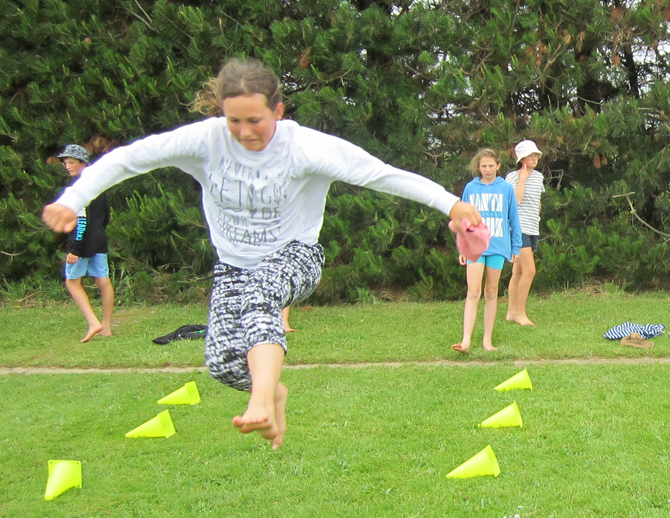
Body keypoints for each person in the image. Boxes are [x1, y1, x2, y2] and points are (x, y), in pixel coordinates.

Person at [42, 58, 482, 449]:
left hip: (297, 255)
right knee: (219, 361)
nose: (244, 132)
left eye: (255, 120)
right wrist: (73, 198)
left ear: (278, 111)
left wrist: (451, 203)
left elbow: (382, 175)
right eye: (234, 121)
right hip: (233, 264)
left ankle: (261, 403)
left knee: (261, 295)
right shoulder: (204, 141)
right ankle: (273, 393)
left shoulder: (306, 147)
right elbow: (128, 159)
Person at [452, 149, 521, 352]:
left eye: (491, 165)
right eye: (484, 166)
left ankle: (487, 341)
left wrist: (515, 246)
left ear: (498, 166)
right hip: (475, 247)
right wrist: (462, 247)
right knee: (473, 291)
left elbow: (513, 219)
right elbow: (462, 220)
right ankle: (466, 341)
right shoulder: (470, 189)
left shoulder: (506, 188)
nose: (488, 169)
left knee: (491, 292)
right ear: (478, 167)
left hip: (499, 246)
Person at [57, 144, 115, 343]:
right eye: (66, 163)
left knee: (71, 281)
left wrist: (75, 249)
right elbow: (105, 217)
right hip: (99, 239)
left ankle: (93, 322)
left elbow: (81, 220)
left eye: (71, 162)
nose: (68, 166)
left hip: (83, 243)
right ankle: (106, 327)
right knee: (103, 281)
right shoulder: (99, 185)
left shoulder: (78, 188)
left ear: (83, 163)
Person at [504, 140, 545, 326]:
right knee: (530, 270)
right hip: (517, 229)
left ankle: (511, 312)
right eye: (531, 155)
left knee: (519, 271)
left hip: (532, 227)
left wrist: (537, 215)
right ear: (522, 158)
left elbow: (537, 200)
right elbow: (515, 201)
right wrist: (522, 178)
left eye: (536, 154)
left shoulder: (539, 177)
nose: (534, 158)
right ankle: (520, 313)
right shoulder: (512, 177)